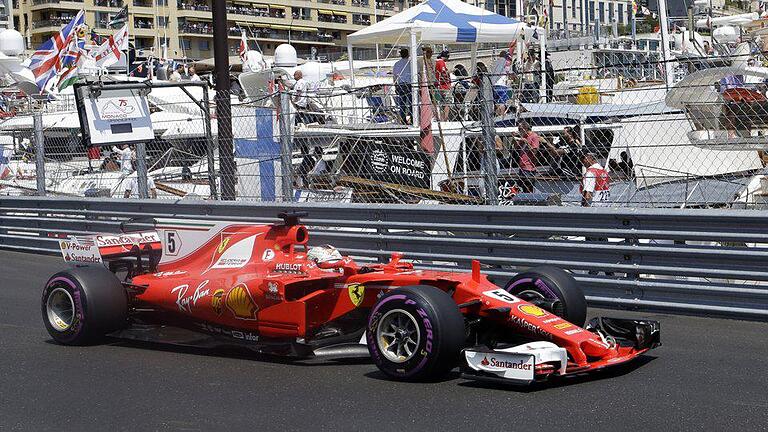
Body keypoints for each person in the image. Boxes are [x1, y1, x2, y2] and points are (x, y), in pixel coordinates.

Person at [513, 121, 540, 193]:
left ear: (525, 128)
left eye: (520, 129)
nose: (519, 131)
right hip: (522, 166)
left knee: (528, 188)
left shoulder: (534, 136)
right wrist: (515, 139)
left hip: (529, 168)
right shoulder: (524, 136)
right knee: (521, 188)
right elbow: (516, 148)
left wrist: (526, 142)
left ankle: (530, 202)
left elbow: (535, 151)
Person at [392, 48, 413, 124]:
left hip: (401, 84)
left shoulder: (397, 64)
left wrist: (395, 85)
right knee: (411, 103)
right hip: (410, 84)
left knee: (402, 104)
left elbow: (394, 76)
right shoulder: (411, 63)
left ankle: (403, 120)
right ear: (408, 54)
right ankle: (413, 119)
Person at [434, 50, 453, 121]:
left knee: (441, 103)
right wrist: (450, 71)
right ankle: (445, 118)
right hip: (445, 86)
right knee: (447, 102)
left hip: (439, 86)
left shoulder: (436, 62)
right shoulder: (441, 62)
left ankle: (441, 118)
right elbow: (443, 73)